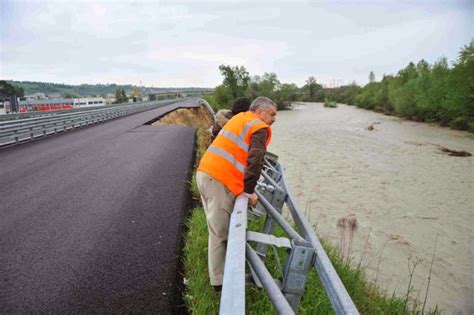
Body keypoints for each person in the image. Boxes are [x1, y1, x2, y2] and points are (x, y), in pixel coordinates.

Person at [196, 96, 277, 291]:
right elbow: (255, 159)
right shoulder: (258, 127)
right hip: (220, 181)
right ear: (260, 111)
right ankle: (221, 284)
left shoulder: (241, 118)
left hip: (206, 174)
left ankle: (222, 278)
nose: (274, 119)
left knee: (216, 231)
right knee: (220, 235)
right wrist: (248, 192)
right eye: (272, 114)